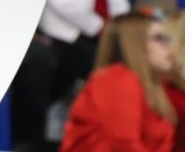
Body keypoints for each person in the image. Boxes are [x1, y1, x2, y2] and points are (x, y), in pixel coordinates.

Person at [60, 11, 177, 151]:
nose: (169, 48)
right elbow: (122, 144)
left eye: (168, 39)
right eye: (160, 38)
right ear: (134, 43)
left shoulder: (154, 86)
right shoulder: (117, 79)